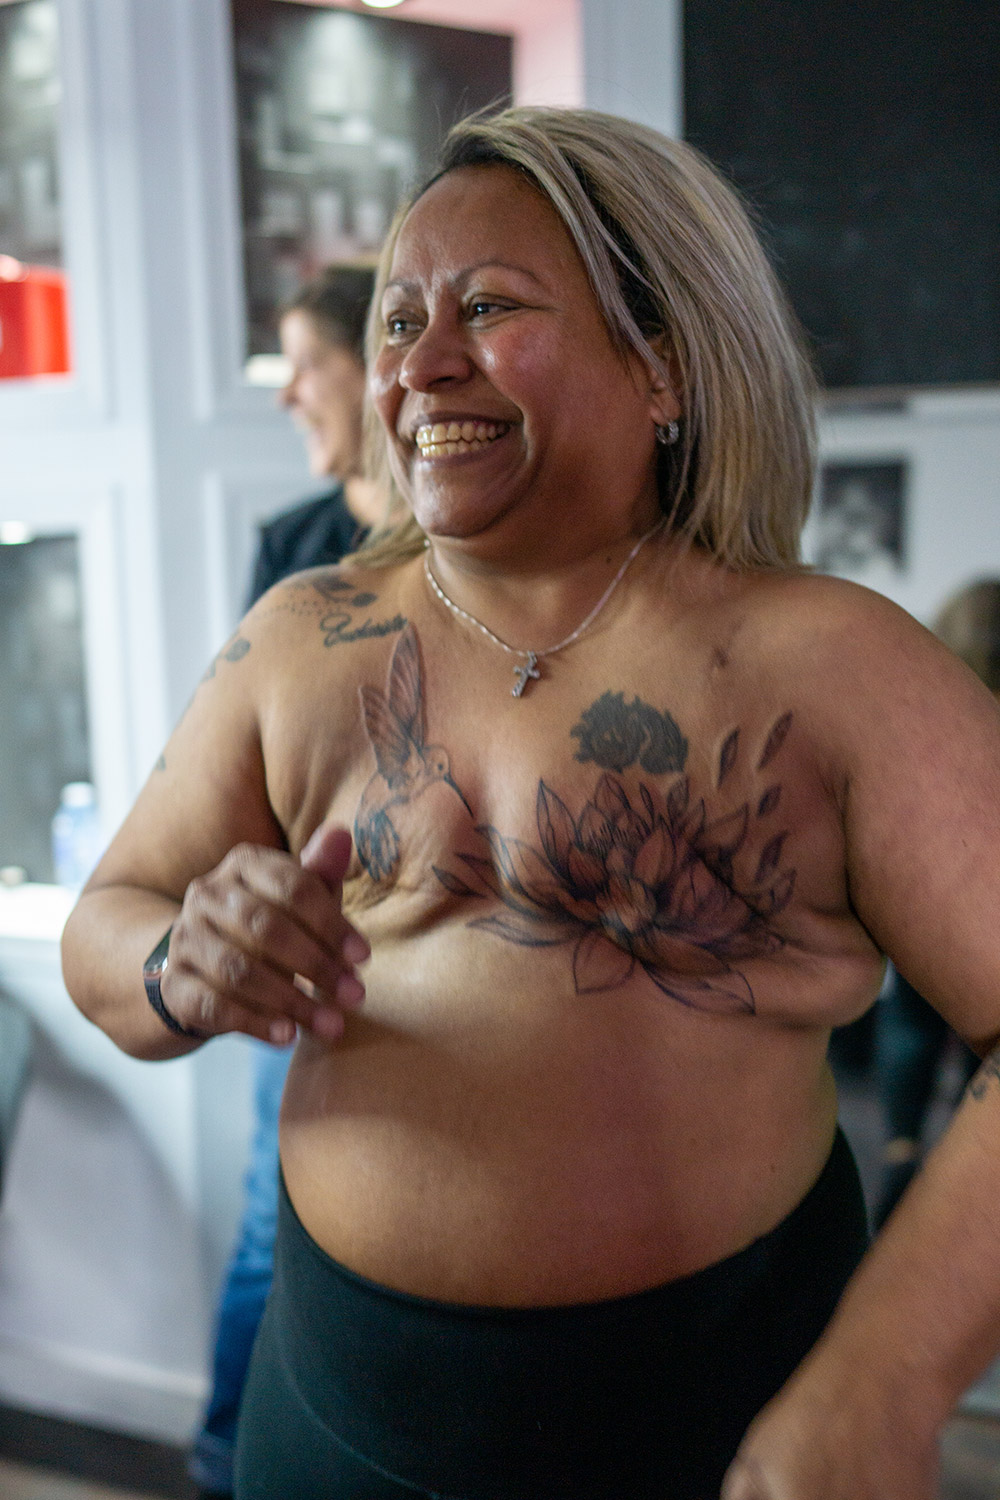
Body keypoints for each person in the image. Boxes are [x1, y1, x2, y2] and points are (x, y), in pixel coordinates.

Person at [61, 105, 1000, 1500]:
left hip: (718, 1425)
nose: (420, 364)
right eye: (397, 322)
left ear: (663, 361)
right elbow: (108, 927)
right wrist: (177, 958)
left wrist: (888, 1379)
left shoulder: (834, 668)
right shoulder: (300, 639)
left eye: (489, 308)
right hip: (332, 1419)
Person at [188, 264, 381, 1500]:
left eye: (308, 362)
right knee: (273, 1225)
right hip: (320, 949)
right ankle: (220, 1464)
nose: (289, 393)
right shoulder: (292, 553)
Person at [872, 578, 1000, 1229]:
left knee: (912, 1017)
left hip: (925, 883)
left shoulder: (928, 695)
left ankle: (902, 1152)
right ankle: (967, 1174)